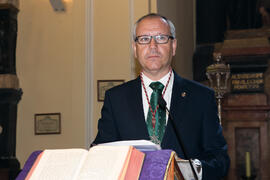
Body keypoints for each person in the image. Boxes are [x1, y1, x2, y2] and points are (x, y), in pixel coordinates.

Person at [91, 13, 230, 179]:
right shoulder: (116, 99)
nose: (153, 45)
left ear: (173, 46)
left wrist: (189, 169)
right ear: (135, 49)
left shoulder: (201, 97)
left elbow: (220, 161)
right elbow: (100, 153)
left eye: (161, 38)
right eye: (144, 39)